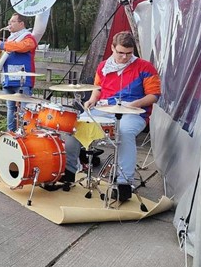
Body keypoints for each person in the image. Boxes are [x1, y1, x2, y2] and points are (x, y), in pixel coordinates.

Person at [62, 31, 161, 201]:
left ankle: (124, 183)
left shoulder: (145, 67)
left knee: (124, 132)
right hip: (105, 108)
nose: (124, 57)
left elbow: (155, 95)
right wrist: (92, 100)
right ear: (112, 48)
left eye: (129, 54)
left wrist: (134, 104)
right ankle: (69, 172)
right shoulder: (103, 66)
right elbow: (98, 88)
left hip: (134, 112)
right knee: (74, 126)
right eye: (120, 52)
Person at [0, 12, 37, 131]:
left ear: (21, 23)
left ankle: (24, 135)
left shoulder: (28, 38)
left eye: (12, 21)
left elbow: (22, 47)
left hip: (23, 81)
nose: (9, 24)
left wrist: (2, 45)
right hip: (8, 79)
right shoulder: (10, 39)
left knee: (24, 109)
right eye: (9, 22)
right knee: (10, 108)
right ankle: (10, 133)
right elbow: (8, 50)